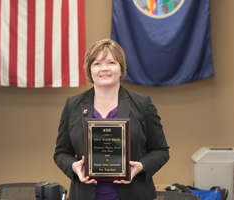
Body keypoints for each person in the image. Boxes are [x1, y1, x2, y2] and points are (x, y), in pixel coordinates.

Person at [54, 38, 169, 200]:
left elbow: (161, 150)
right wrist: (74, 166)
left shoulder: (142, 103)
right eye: (97, 64)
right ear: (90, 71)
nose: (105, 69)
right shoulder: (73, 105)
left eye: (111, 62)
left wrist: (140, 167)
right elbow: (61, 153)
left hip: (133, 195)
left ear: (121, 69)